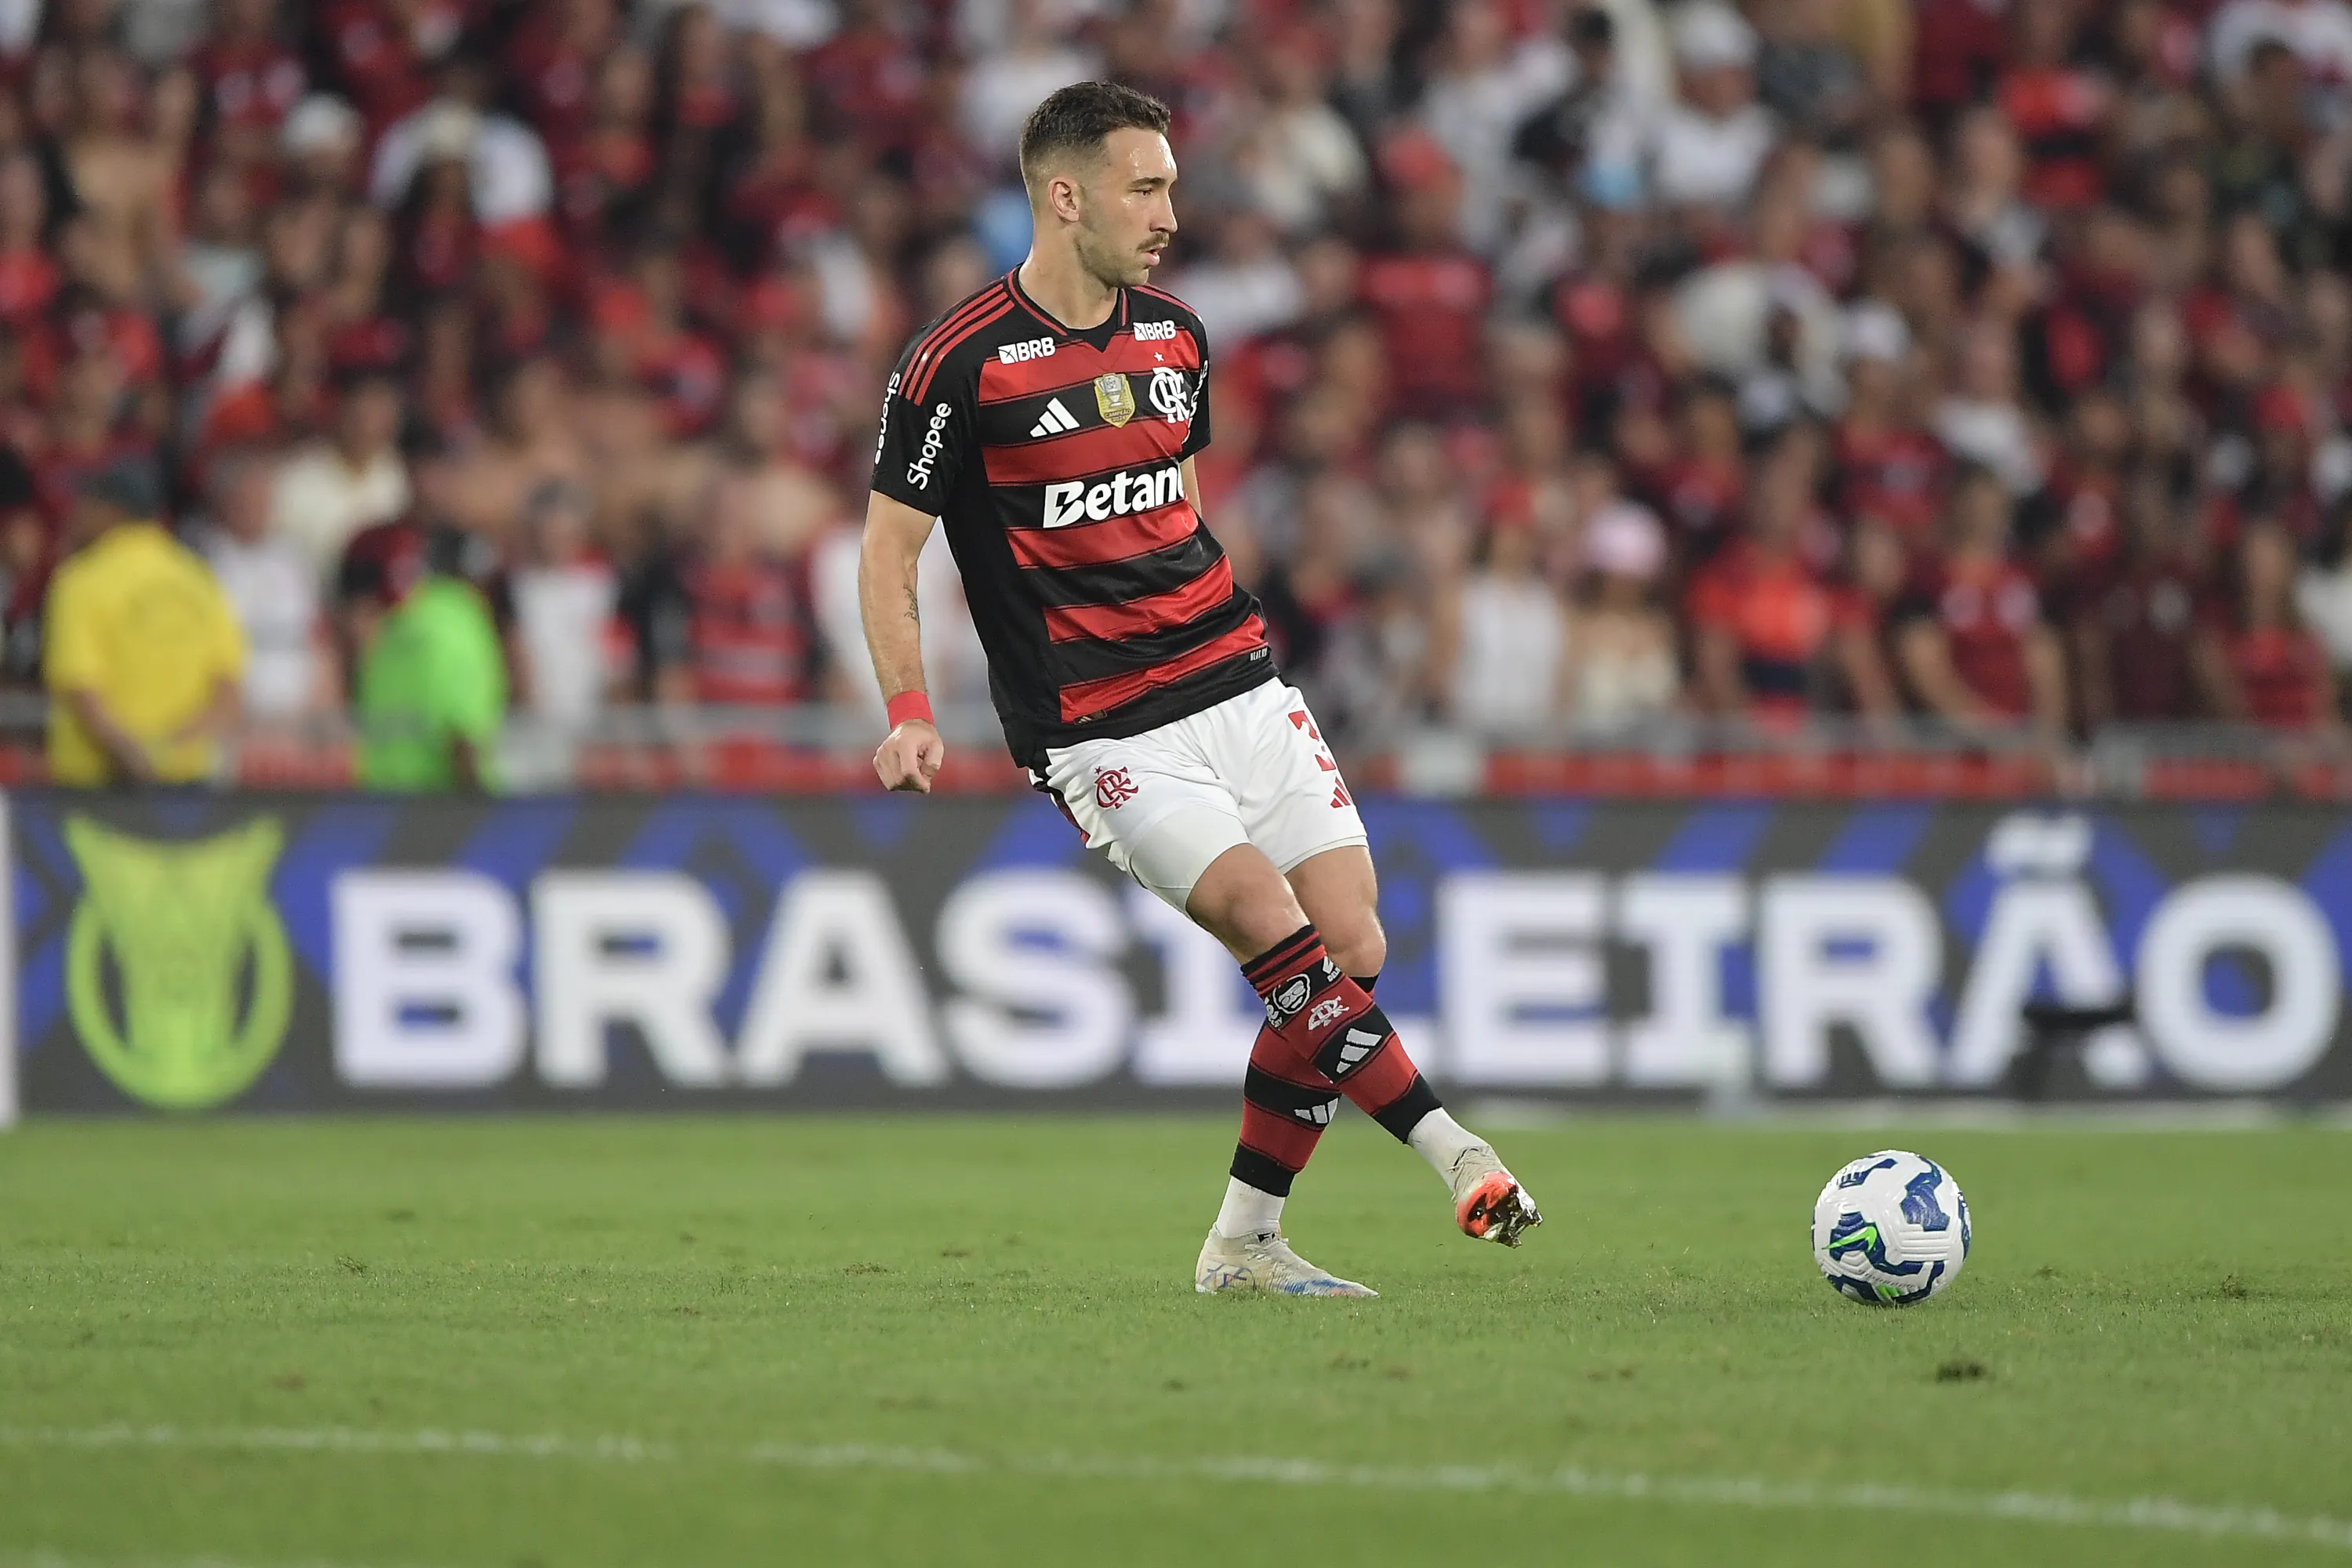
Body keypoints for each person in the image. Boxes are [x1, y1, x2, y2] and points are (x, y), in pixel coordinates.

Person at [859, 82, 1539, 1300]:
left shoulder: (1178, 336)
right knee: (1260, 919)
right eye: (1147, 185)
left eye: (1171, 184)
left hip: (1238, 679)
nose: (1172, 211)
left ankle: (1245, 1245)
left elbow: (1164, 506)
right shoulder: (957, 363)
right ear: (1065, 197)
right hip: (1099, 724)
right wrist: (910, 710)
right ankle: (1459, 1157)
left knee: (1352, 941)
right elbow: (887, 552)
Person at [42, 461, 245, 786]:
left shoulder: (80, 581)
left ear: (111, 512)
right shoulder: (198, 578)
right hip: (188, 785)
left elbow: (79, 686)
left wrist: (133, 755)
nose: (74, 517)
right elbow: (228, 693)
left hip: (97, 787)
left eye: (83, 506)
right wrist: (172, 751)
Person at [339, 520, 509, 791]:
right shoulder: (460, 622)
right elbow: (462, 726)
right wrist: (481, 810)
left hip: (378, 805)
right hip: (439, 805)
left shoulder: (394, 626)